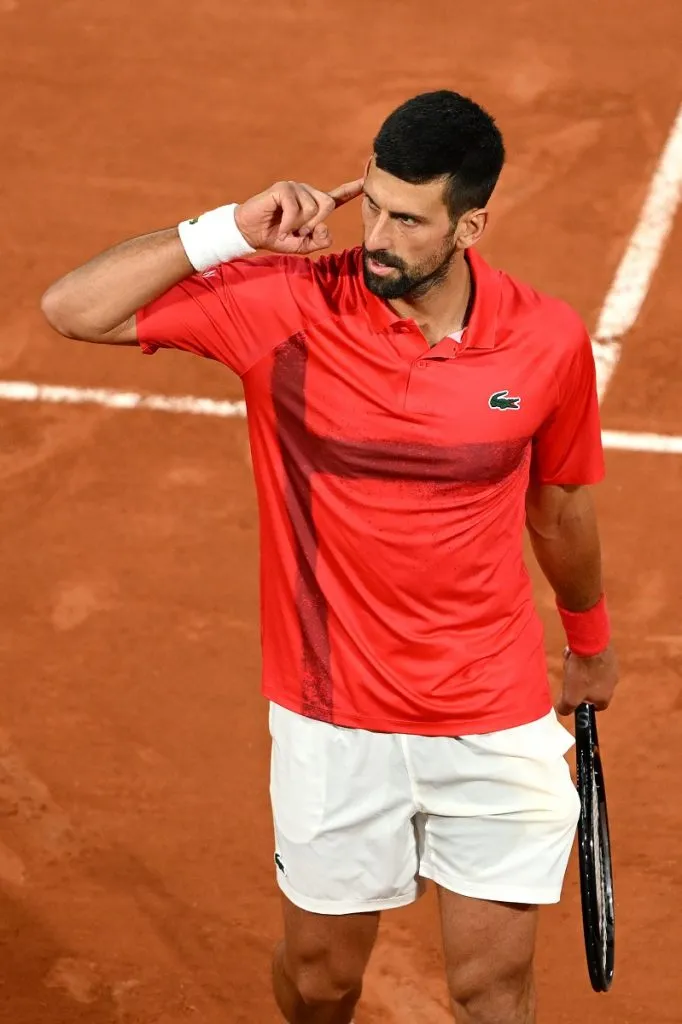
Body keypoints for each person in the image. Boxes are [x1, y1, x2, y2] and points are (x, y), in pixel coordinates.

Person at [41, 89, 619, 1024]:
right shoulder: (284, 302)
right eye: (373, 203)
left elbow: (560, 507)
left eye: (408, 217)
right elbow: (72, 309)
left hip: (493, 707)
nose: (378, 234)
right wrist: (230, 228)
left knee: (492, 992)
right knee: (321, 982)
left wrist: (590, 644)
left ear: (471, 224)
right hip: (333, 712)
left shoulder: (546, 340)